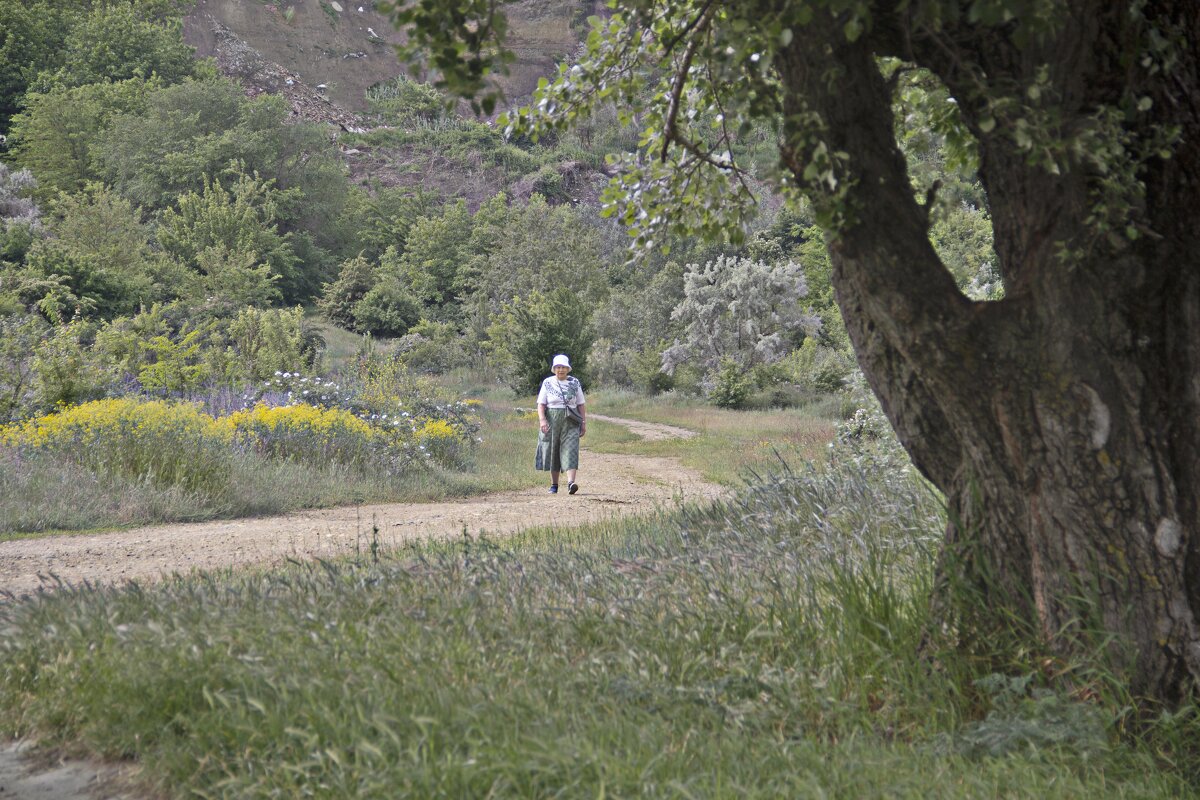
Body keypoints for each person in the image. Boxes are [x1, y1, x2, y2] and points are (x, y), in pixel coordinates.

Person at [535, 353, 586, 494]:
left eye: (563, 367)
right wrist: (542, 420)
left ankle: (571, 483)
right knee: (553, 450)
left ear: (568, 368)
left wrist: (583, 422)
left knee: (571, 449)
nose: (561, 370)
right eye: (558, 367)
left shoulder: (575, 382)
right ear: (554, 368)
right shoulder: (548, 382)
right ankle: (554, 485)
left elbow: (581, 404)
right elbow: (541, 404)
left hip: (571, 420)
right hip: (552, 419)